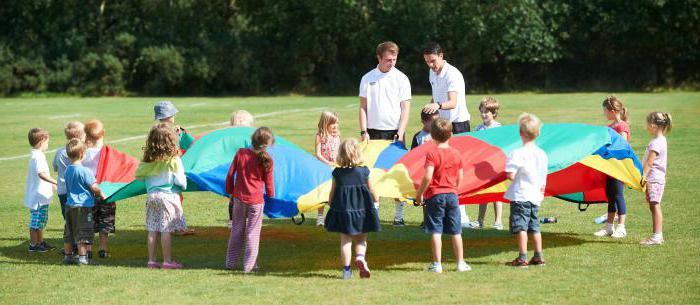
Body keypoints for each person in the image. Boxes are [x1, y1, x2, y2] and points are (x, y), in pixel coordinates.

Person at [358, 41, 411, 226]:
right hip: (372, 133)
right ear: (379, 58)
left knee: (396, 173)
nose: (392, 63)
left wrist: (401, 132)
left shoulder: (402, 78)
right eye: (388, 59)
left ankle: (398, 215)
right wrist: (364, 131)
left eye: (394, 59)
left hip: (395, 133)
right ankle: (374, 213)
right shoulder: (367, 78)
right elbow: (363, 107)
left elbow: (405, 109)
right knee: (372, 174)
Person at [415, 118, 471, 273]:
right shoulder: (457, 153)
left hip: (435, 196)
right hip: (452, 195)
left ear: (432, 135)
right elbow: (461, 176)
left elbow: (427, 176)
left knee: (436, 230)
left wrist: (419, 194)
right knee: (456, 231)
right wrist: (455, 190)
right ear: (451, 134)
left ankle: (437, 264)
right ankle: (460, 263)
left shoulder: (432, 153)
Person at [325, 138, 381, 279]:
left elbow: (332, 192)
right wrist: (376, 200)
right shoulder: (364, 172)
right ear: (358, 153)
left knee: (345, 240)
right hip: (362, 211)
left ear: (341, 154)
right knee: (361, 239)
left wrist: (330, 203)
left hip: (344, 212)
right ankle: (361, 257)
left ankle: (346, 271)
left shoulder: (337, 173)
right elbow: (372, 190)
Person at [136, 123, 188, 269]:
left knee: (153, 229)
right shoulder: (173, 160)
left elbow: (139, 177)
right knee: (166, 229)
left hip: (152, 196)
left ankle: (151, 261)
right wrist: (181, 186)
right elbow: (181, 180)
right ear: (171, 141)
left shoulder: (147, 160)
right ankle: (167, 261)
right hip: (168, 197)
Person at [225, 127, 275, 272]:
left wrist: (230, 192)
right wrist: (271, 197)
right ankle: (249, 266)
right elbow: (269, 183)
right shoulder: (268, 160)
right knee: (253, 233)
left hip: (239, 199)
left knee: (237, 231)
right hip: (256, 202)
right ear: (267, 144)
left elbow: (230, 175)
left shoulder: (241, 153)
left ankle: (231, 263)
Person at [505, 113, 548, 267]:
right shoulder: (542, 154)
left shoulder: (518, 153)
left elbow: (510, 175)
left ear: (521, 133)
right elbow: (543, 175)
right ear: (537, 133)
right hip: (535, 195)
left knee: (521, 227)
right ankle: (538, 256)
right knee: (534, 226)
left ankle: (522, 257)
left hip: (521, 195)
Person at [154, 101, 195, 236]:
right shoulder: (167, 132)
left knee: (171, 198)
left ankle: (167, 226)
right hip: (170, 170)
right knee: (175, 198)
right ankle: (176, 227)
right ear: (169, 115)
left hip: (159, 172)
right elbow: (171, 151)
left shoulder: (158, 130)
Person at [62, 138, 105, 265]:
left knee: (69, 232)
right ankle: (82, 258)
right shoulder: (85, 171)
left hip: (70, 206)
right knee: (83, 232)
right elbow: (94, 187)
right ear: (82, 154)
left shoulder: (67, 170)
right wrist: (102, 194)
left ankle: (68, 257)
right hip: (83, 207)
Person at [594, 96, 631, 238]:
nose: (604, 114)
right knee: (610, 197)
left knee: (618, 195)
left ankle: (621, 227)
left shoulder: (622, 126)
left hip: (618, 167)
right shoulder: (609, 127)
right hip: (609, 167)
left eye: (604, 111)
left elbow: (622, 146)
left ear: (611, 110)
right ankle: (609, 227)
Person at [421, 42, 471, 134]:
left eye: (433, 61)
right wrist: (430, 107)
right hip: (442, 123)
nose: (430, 65)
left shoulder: (452, 74)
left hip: (458, 124)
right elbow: (436, 96)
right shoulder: (432, 72)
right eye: (427, 61)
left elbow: (453, 103)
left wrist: (437, 105)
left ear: (441, 56)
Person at [471, 97, 504, 230]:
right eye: (482, 111)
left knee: (497, 193)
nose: (484, 114)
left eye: (487, 112)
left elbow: (502, 146)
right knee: (483, 193)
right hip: (482, 167)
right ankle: (480, 220)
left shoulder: (499, 128)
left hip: (495, 166)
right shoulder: (478, 129)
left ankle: (498, 221)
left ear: (494, 113)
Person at [82, 119, 113, 258]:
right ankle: (103, 248)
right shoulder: (107, 152)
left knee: (89, 220)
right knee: (105, 219)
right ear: (103, 133)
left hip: (88, 193)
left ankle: (88, 249)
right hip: (105, 192)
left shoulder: (83, 152)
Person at [640, 112, 671, 246]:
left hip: (653, 179)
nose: (646, 126)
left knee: (655, 206)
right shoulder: (661, 140)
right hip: (655, 179)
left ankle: (656, 237)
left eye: (647, 124)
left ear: (653, 125)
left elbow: (649, 162)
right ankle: (658, 236)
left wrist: (642, 176)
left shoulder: (656, 143)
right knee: (653, 205)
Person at [24, 128, 57, 253]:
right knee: (35, 221)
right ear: (41, 141)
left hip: (42, 196)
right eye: (47, 142)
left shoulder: (38, 155)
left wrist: (53, 187)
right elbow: (41, 174)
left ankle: (40, 242)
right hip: (37, 197)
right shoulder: (37, 157)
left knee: (41, 220)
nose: (48, 144)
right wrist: (55, 182)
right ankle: (33, 244)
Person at [53, 121, 86, 220]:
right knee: (80, 218)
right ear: (80, 138)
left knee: (67, 217)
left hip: (62, 190)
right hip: (78, 191)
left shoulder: (59, 152)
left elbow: (55, 168)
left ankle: (69, 234)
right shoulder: (82, 152)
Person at [228, 109, 255, 228]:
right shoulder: (231, 137)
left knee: (246, 197)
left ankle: (247, 219)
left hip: (248, 174)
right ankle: (233, 219)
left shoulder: (251, 137)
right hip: (236, 173)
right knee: (234, 197)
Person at [314, 111, 341, 226]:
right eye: (332, 123)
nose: (335, 126)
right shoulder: (320, 136)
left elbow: (340, 151)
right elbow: (318, 154)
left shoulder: (337, 136)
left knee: (335, 192)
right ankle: (320, 217)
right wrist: (328, 163)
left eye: (336, 123)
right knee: (322, 193)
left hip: (336, 168)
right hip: (324, 169)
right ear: (325, 124)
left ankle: (334, 215)